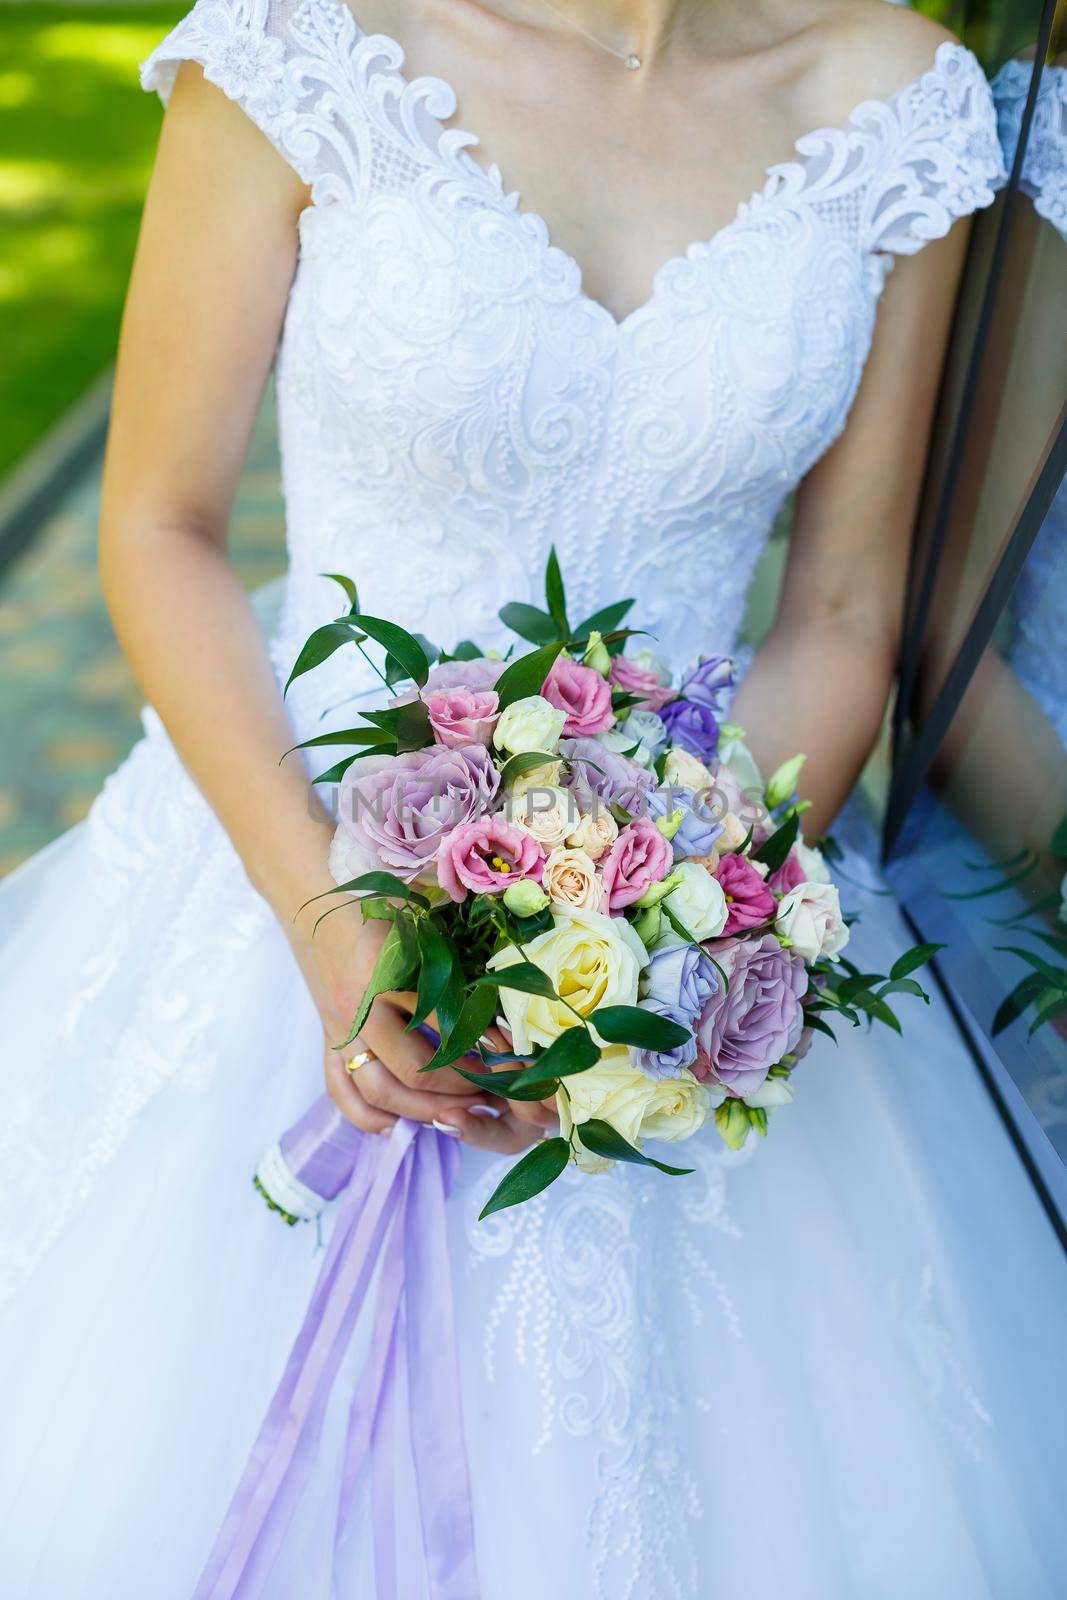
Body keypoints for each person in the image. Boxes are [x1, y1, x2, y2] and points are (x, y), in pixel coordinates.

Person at [1, 1, 1065, 1594]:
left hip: (691, 909)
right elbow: (160, 523)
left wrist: (680, 928)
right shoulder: (302, 39)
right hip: (283, 864)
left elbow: (843, 610)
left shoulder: (896, 102)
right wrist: (326, 920)